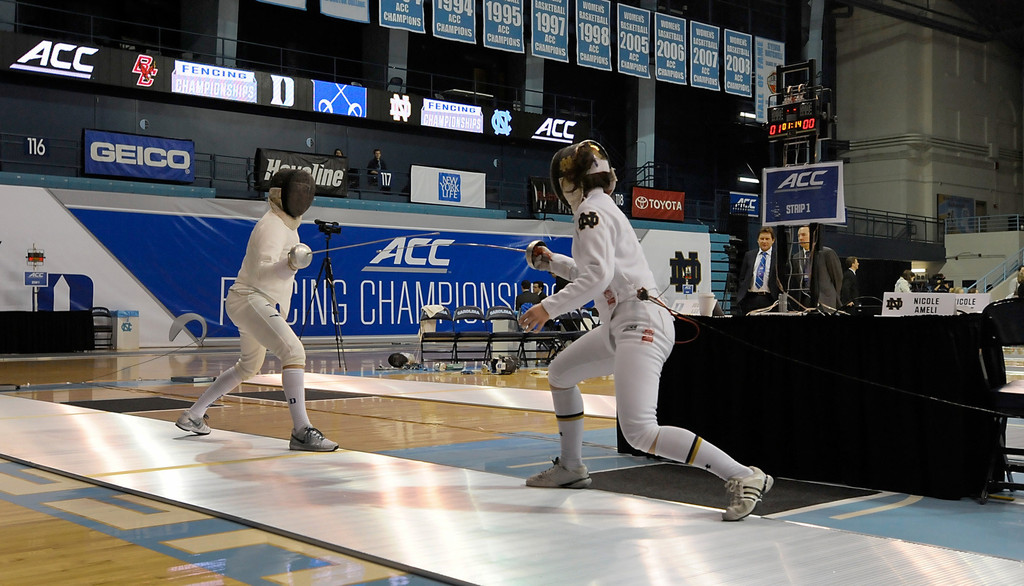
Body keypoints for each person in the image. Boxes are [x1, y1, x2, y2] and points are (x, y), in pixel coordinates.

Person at [520, 140, 771, 521]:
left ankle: (742, 475)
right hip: (622, 323)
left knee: (638, 430)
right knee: (560, 373)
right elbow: (599, 276)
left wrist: (546, 308)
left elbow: (598, 276)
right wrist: (551, 261)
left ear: (567, 183)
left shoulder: (590, 212)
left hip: (638, 324)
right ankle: (571, 467)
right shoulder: (603, 209)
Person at [175, 169, 338, 452]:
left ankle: (193, 415)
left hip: (253, 301)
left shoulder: (289, 225)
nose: (302, 197)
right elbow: (263, 274)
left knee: (248, 366)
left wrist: (289, 270)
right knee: (294, 352)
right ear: (281, 194)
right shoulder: (271, 225)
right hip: (250, 298)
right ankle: (301, 431)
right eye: (298, 190)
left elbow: (279, 277)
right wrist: (290, 264)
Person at [791, 225, 844, 312]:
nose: (800, 238)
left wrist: (832, 295)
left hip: (825, 302)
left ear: (813, 236)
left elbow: (837, 278)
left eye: (804, 235)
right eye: (799, 235)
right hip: (805, 302)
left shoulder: (826, 253)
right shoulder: (796, 257)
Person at [737, 226, 782, 315]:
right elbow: (742, 276)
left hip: (770, 299)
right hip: (750, 299)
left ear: (773, 240)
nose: (764, 241)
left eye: (767, 239)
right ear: (757, 240)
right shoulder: (749, 255)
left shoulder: (778, 257)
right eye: (762, 238)